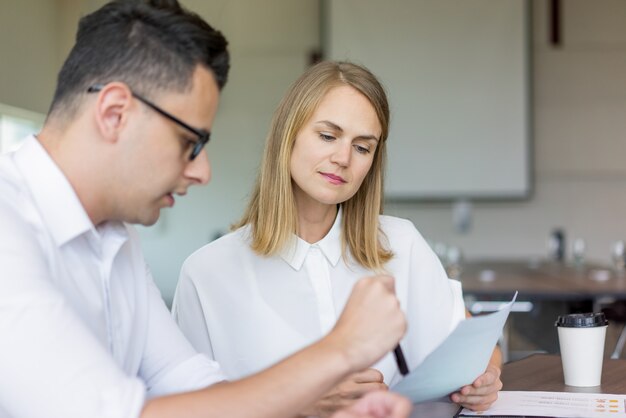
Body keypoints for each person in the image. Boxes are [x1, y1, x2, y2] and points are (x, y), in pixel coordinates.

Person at [0, 2, 411, 417]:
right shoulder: (7, 226)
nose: (203, 171)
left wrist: (312, 407)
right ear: (114, 113)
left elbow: (189, 381)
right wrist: (337, 352)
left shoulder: (116, 240)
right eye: (189, 143)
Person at [172, 61, 504, 416]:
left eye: (362, 147)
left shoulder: (400, 244)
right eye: (328, 136)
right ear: (290, 134)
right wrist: (299, 403)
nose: (343, 158)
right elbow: (183, 408)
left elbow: (479, 348)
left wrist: (486, 377)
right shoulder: (207, 273)